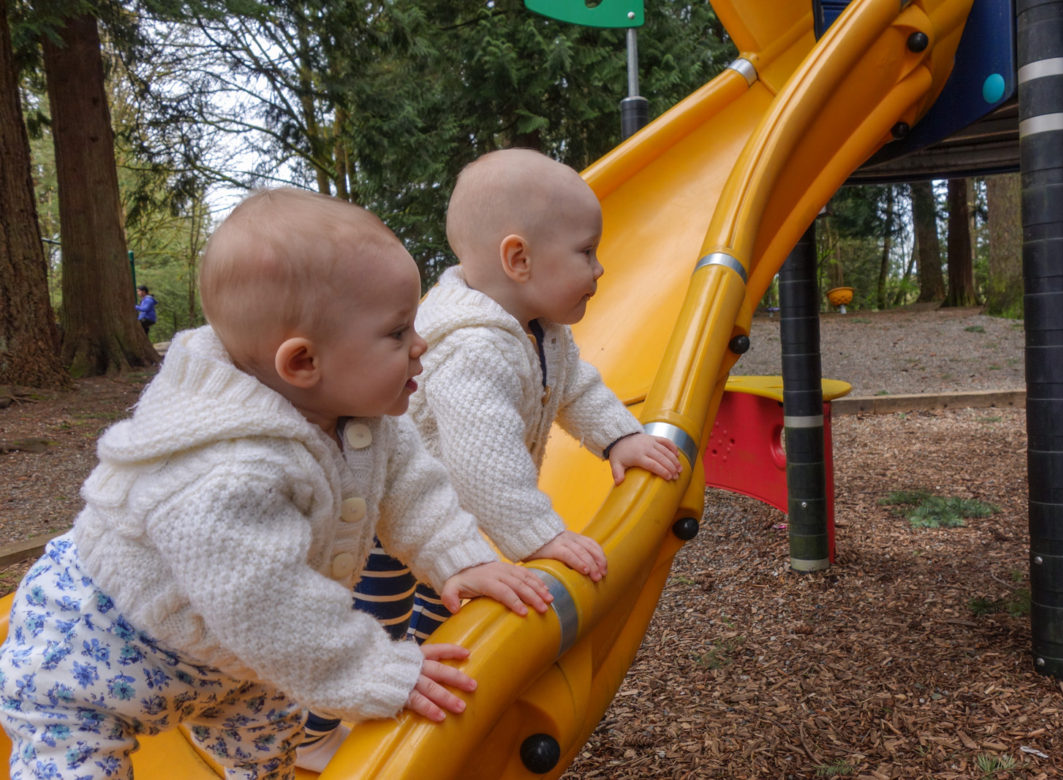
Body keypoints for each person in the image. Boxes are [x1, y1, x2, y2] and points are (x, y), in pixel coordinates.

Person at [0, 187, 553, 780]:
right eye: (397, 333)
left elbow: (412, 486)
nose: (420, 345)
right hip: (95, 657)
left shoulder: (360, 417)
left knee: (269, 754)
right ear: (302, 363)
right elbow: (268, 602)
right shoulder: (226, 468)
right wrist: (381, 670)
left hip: (240, 665)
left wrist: (456, 558)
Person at [402, 147, 683, 640]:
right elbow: (483, 461)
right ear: (519, 259)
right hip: (402, 520)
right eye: (586, 252)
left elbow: (575, 385)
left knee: (443, 604)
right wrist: (540, 536)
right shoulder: (471, 347)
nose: (599, 269)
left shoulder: (541, 328)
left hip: (449, 515)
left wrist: (618, 438)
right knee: (399, 618)